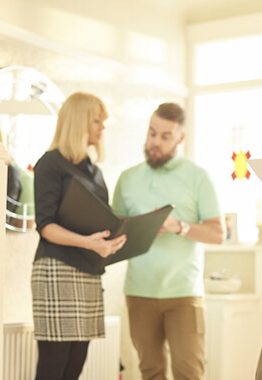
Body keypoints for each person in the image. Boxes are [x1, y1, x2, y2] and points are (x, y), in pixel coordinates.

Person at [112, 103, 226, 380]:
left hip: (184, 294)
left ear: (180, 138)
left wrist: (178, 225)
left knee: (189, 373)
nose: (155, 142)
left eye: (165, 136)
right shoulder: (127, 179)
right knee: (150, 373)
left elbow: (217, 234)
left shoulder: (198, 177)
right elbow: (113, 234)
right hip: (138, 292)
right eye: (152, 133)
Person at [31, 92, 127, 380]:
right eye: (97, 120)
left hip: (88, 271)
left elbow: (100, 221)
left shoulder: (95, 172)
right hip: (56, 271)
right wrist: (89, 242)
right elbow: (45, 226)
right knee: (54, 362)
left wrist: (118, 235)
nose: (102, 127)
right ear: (79, 121)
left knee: (76, 361)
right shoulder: (50, 164)